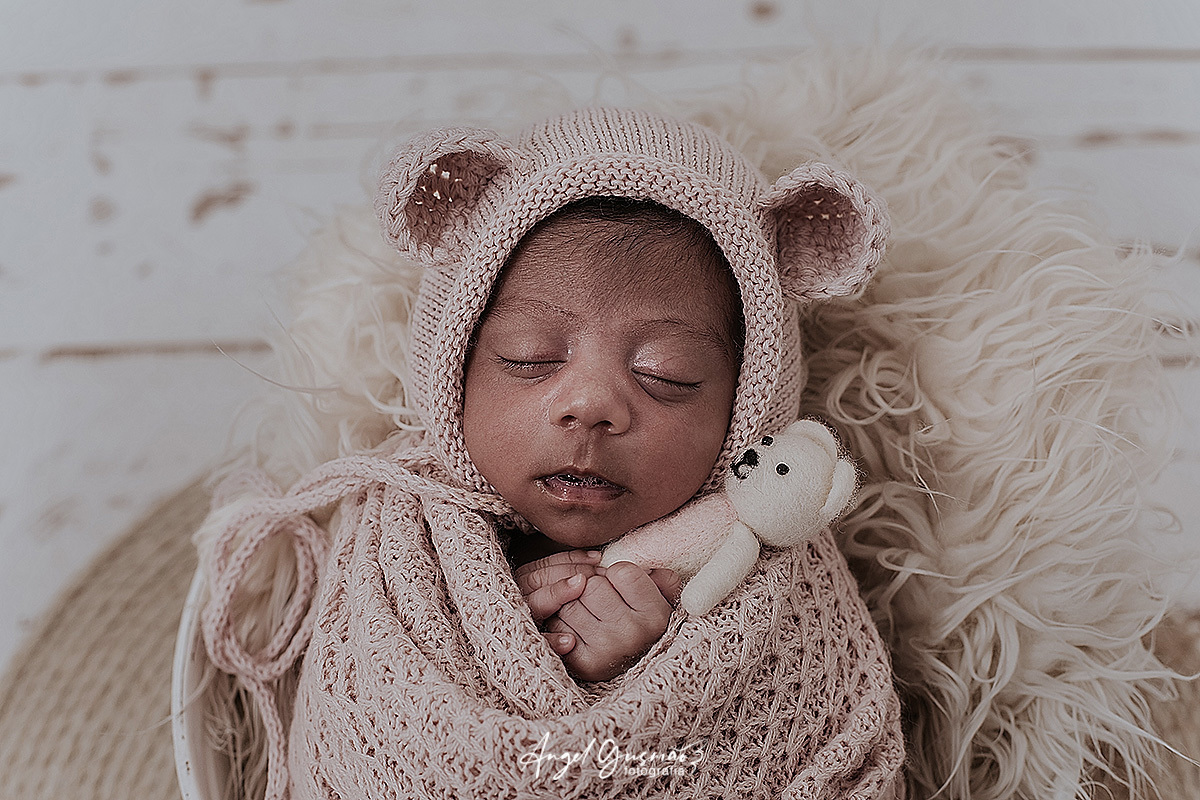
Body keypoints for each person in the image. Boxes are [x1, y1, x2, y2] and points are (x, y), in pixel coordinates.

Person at [202, 106, 905, 799]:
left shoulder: (772, 569)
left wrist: (637, 670)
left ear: (746, 404)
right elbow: (365, 729)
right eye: (531, 358)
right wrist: (503, 627)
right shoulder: (398, 535)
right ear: (457, 369)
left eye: (665, 375)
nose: (592, 405)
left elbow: (805, 737)